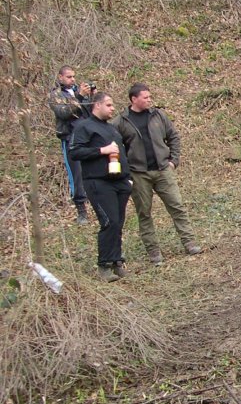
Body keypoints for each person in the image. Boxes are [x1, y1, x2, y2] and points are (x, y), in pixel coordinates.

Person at [113, 83, 201, 265]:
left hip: (163, 170)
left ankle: (190, 243)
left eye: (149, 96)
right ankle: (154, 252)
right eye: (145, 97)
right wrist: (126, 171)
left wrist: (173, 160)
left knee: (177, 206)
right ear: (134, 99)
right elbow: (115, 149)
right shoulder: (120, 122)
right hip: (139, 174)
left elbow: (173, 136)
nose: (149, 100)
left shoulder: (158, 115)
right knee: (144, 213)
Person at [68, 92, 132, 282]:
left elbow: (122, 153)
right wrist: (102, 150)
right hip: (98, 181)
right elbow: (75, 152)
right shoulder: (84, 126)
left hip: (119, 181)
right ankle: (104, 265)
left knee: (118, 222)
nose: (113, 109)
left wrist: (128, 178)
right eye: (109, 105)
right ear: (97, 105)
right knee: (109, 221)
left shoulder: (111, 128)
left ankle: (116, 262)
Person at [47, 65, 94, 225]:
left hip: (87, 137)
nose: (72, 79)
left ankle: (97, 203)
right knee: (76, 174)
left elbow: (90, 113)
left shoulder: (79, 91)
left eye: (73, 76)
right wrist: (79, 97)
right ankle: (81, 210)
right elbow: (64, 113)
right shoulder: (55, 95)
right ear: (60, 77)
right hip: (70, 138)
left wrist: (91, 96)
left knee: (92, 170)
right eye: (69, 77)